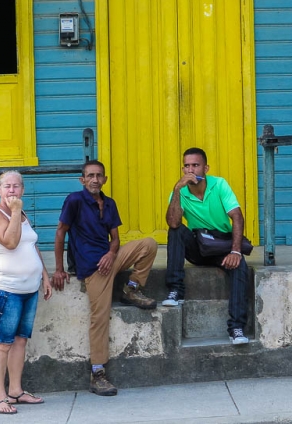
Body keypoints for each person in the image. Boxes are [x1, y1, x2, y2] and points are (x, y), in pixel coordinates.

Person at [51, 160, 158, 396]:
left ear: (105, 179)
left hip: (110, 259)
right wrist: (59, 269)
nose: (95, 180)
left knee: (149, 244)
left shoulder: (109, 204)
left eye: (99, 176)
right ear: (82, 180)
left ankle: (132, 288)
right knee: (99, 317)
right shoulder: (74, 200)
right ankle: (97, 373)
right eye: (90, 176)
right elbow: (60, 232)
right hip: (93, 268)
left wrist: (111, 253)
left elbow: (116, 239)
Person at [163, 147, 250, 345]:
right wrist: (177, 189)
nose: (191, 170)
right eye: (187, 166)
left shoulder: (219, 185)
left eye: (196, 165)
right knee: (175, 231)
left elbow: (237, 216)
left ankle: (236, 327)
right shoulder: (179, 191)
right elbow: (174, 222)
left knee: (240, 267)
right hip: (199, 245)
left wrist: (235, 251)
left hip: (221, 244)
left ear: (206, 168)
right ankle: (176, 290)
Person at [0, 171, 52, 415]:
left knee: (21, 340)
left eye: (16, 186)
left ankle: (16, 391)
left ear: (22, 190)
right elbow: (10, 242)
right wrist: (14, 212)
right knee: (3, 343)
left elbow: (31, 246)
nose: (12, 191)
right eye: (7, 186)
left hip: (29, 289)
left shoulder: (22, 215)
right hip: (6, 290)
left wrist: (44, 276)